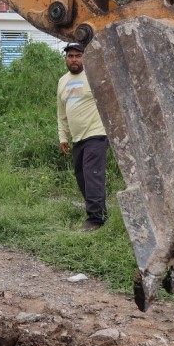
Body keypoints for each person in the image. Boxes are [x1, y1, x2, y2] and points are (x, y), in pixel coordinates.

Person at [57, 42, 108, 232]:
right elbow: (61, 112)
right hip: (77, 138)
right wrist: (63, 136)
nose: (74, 59)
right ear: (66, 59)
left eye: (78, 55)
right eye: (70, 56)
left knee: (92, 174)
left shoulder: (95, 76)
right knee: (81, 177)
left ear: (84, 57)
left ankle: (96, 220)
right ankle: (99, 212)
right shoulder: (63, 81)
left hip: (96, 133)